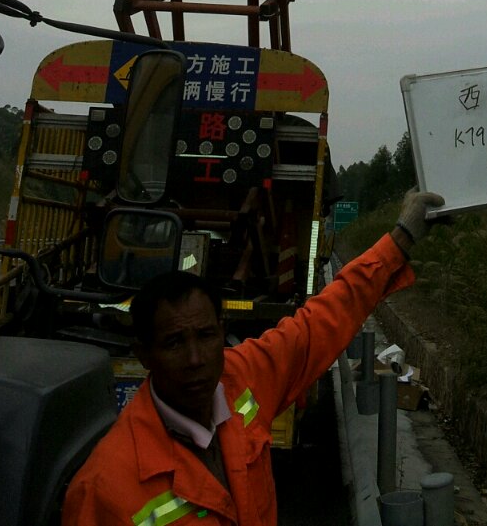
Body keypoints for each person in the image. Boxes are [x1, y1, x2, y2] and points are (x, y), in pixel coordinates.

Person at [61, 190, 445, 526]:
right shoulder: (104, 488)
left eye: (206, 336)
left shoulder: (242, 378)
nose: (195, 359)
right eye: (174, 343)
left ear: (221, 330)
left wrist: (401, 238)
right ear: (143, 354)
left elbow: (322, 321)